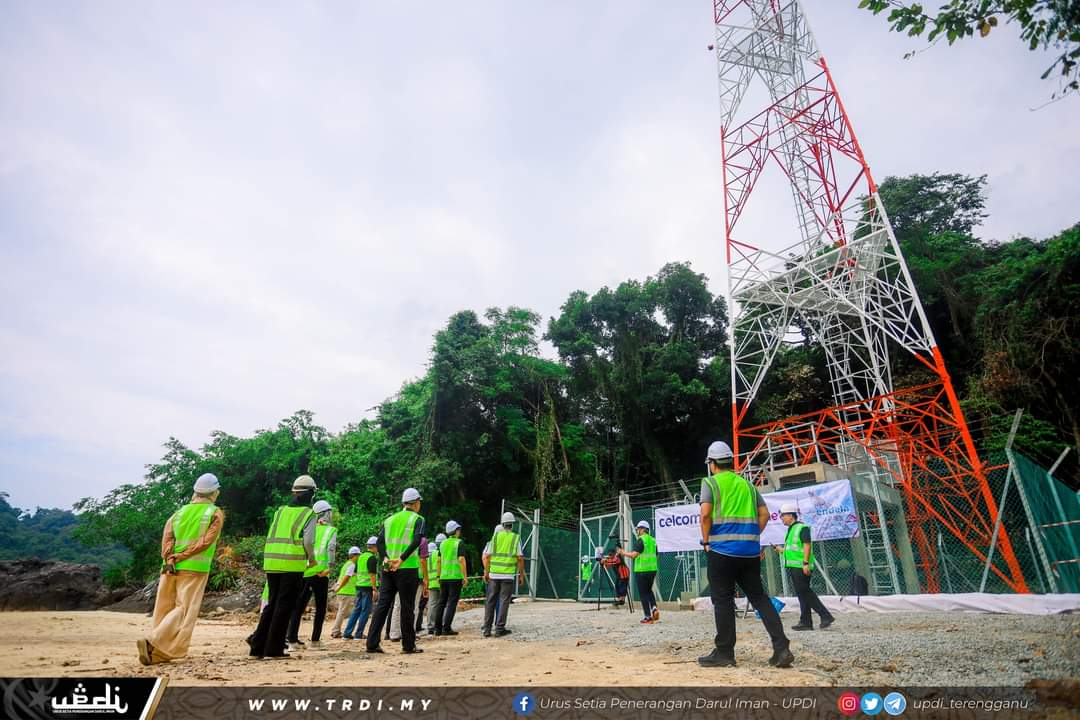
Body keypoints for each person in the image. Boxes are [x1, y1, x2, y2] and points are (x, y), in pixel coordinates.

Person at [698, 441, 793, 668]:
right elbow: (764, 515)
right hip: (749, 553)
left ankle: (725, 652)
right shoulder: (748, 486)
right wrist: (750, 537)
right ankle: (782, 648)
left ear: (712, 463)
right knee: (759, 598)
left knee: (723, 600)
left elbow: (705, 515)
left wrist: (706, 541)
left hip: (721, 551)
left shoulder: (710, 483)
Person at [137, 473, 225, 666]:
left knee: (164, 608)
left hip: (169, 567)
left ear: (196, 492)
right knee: (184, 610)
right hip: (194, 568)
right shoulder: (214, 513)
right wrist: (182, 556)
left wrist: (170, 557)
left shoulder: (178, 513)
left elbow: (166, 539)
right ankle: (153, 642)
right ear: (214, 493)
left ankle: (159, 652)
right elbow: (205, 542)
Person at [248, 475, 318, 659]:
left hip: (271, 562)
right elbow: (309, 541)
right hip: (291, 563)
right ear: (311, 493)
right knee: (284, 606)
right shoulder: (308, 513)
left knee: (272, 604)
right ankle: (274, 649)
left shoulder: (280, 511)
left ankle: (257, 648)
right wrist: (311, 559)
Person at [365, 488, 426, 655]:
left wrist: (385, 558)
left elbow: (380, 542)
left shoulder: (390, 520)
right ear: (416, 503)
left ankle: (372, 643)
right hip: (406, 568)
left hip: (388, 568)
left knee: (383, 605)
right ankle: (408, 645)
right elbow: (417, 540)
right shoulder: (418, 519)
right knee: (407, 607)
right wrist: (402, 558)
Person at [287, 499, 337, 649]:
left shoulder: (307, 528)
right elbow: (331, 548)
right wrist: (331, 567)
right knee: (321, 608)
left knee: (298, 606)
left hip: (305, 571)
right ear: (326, 514)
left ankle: (292, 641)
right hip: (321, 573)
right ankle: (315, 641)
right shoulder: (331, 530)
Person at [778, 503, 835, 631]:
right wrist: (782, 550)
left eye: (783, 515)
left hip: (801, 567)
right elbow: (795, 549)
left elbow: (807, 545)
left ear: (790, 515)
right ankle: (806, 622)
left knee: (805, 592)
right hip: (795, 566)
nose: (781, 518)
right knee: (802, 594)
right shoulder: (791, 529)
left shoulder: (802, 528)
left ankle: (825, 615)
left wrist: (805, 564)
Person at [482, 512, 524, 638]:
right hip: (508, 576)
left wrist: (487, 572)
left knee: (490, 601)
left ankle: (487, 629)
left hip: (494, 575)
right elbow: (520, 558)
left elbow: (487, 556)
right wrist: (521, 574)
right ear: (512, 524)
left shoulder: (495, 537)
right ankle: (499, 628)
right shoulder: (515, 538)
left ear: (503, 523)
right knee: (504, 601)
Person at [389, 534, 429, 642]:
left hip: (398, 573)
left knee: (398, 605)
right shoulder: (422, 540)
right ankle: (410, 633)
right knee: (413, 606)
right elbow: (422, 560)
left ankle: (394, 633)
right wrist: (426, 578)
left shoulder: (401, 539)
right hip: (416, 576)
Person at [617, 521, 659, 623]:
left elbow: (634, 555)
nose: (637, 531)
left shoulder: (641, 540)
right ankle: (654, 608)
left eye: (638, 529)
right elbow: (656, 555)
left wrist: (623, 552)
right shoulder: (653, 540)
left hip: (641, 571)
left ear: (643, 529)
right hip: (652, 570)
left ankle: (648, 617)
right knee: (649, 590)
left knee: (643, 593)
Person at [433, 520, 467, 636]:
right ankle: (446, 628)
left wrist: (438, 575)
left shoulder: (442, 544)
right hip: (455, 577)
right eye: (459, 529)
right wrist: (464, 576)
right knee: (451, 603)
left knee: (441, 602)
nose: (459, 531)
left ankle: (437, 629)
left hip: (443, 577)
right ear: (456, 531)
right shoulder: (459, 543)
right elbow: (461, 560)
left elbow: (438, 561)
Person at [344, 537, 380, 640]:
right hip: (368, 587)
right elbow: (372, 575)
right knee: (365, 611)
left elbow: (356, 572)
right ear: (374, 547)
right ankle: (358, 634)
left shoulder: (361, 557)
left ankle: (347, 633)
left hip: (359, 586)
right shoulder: (372, 558)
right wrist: (374, 589)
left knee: (357, 610)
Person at [329, 546, 361, 638]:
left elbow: (347, 576)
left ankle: (336, 631)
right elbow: (346, 577)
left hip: (344, 592)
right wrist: (340, 587)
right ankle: (335, 631)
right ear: (355, 555)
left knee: (342, 612)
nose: (359, 557)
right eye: (358, 555)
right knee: (342, 612)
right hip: (346, 592)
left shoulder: (347, 564)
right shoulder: (352, 565)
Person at [421, 542, 440, 634]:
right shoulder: (438, 553)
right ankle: (438, 624)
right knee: (441, 604)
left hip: (430, 583)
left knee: (431, 605)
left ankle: (430, 626)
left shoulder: (425, 557)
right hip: (439, 581)